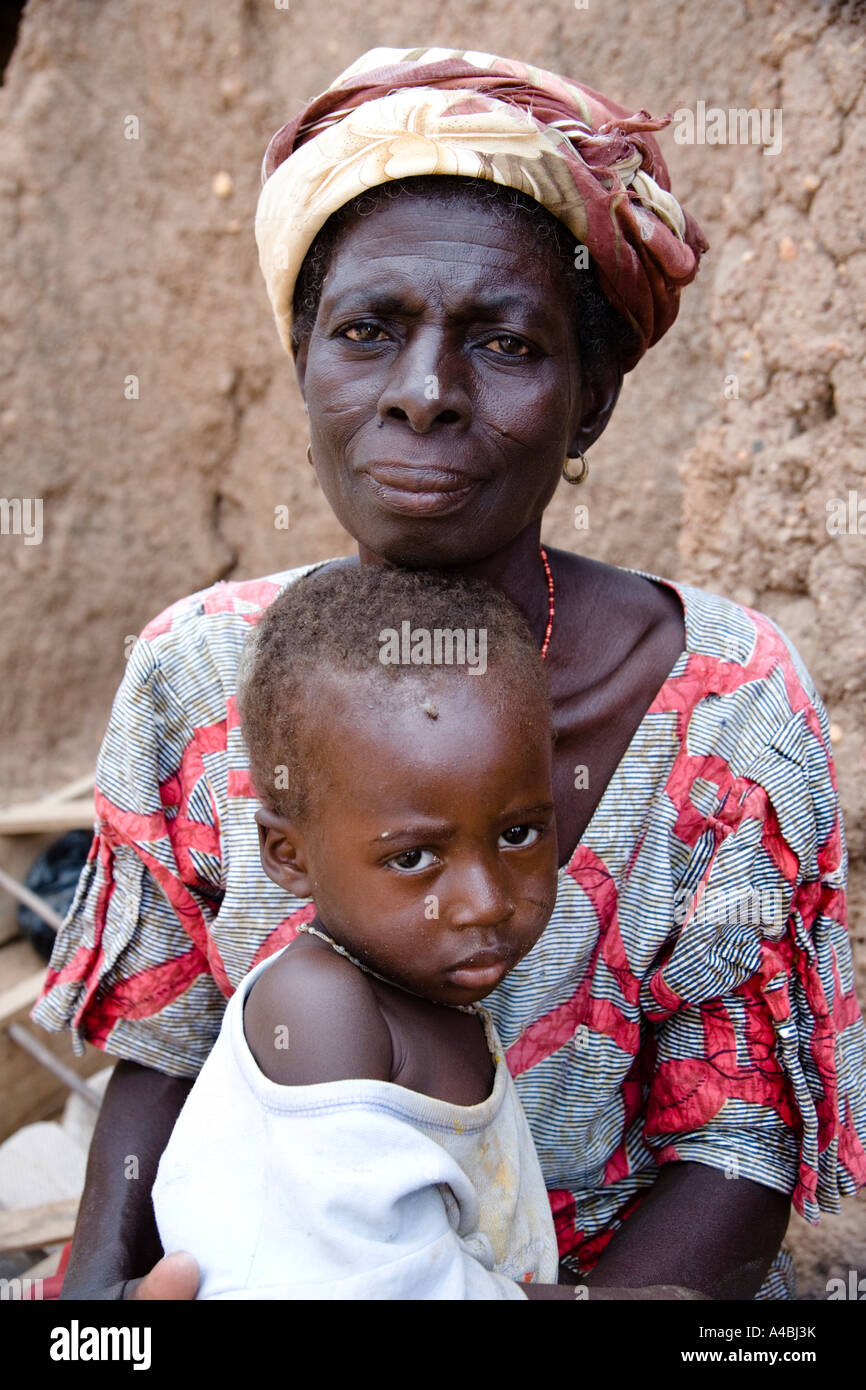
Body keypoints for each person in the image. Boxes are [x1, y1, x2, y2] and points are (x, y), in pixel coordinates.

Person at [33, 46, 866, 1302]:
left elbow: (735, 1138)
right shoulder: (198, 677)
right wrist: (98, 1320)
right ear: (306, 360)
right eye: (366, 331)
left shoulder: (728, 708)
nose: (423, 393)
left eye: (503, 343)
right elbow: (161, 1051)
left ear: (587, 403)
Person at [153, 563, 563, 1298]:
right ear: (290, 855)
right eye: (412, 857)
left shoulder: (415, 991)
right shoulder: (319, 1013)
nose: (484, 901)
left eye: (519, 833)